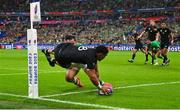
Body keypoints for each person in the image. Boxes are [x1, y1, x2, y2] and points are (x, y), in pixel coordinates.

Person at [42, 42, 110, 94]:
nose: (104, 57)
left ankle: (47, 51)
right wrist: (100, 87)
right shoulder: (91, 57)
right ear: (100, 54)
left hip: (62, 46)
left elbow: (94, 66)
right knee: (69, 67)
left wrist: (97, 77)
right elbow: (92, 76)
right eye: (105, 56)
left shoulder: (92, 51)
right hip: (61, 57)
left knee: (82, 68)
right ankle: (53, 60)